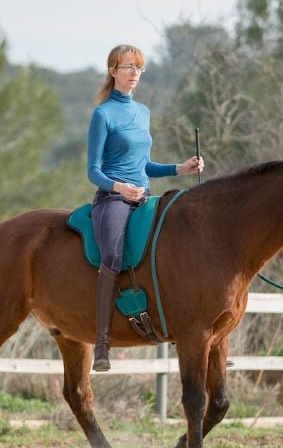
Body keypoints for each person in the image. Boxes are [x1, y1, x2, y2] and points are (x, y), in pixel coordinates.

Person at [87, 44, 203, 372]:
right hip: (113, 199)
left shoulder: (143, 112)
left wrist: (179, 169)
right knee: (112, 254)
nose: (134, 73)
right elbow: (93, 170)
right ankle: (102, 342)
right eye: (127, 67)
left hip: (145, 196)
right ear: (113, 71)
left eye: (138, 68)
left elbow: (145, 165)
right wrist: (119, 187)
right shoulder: (103, 114)